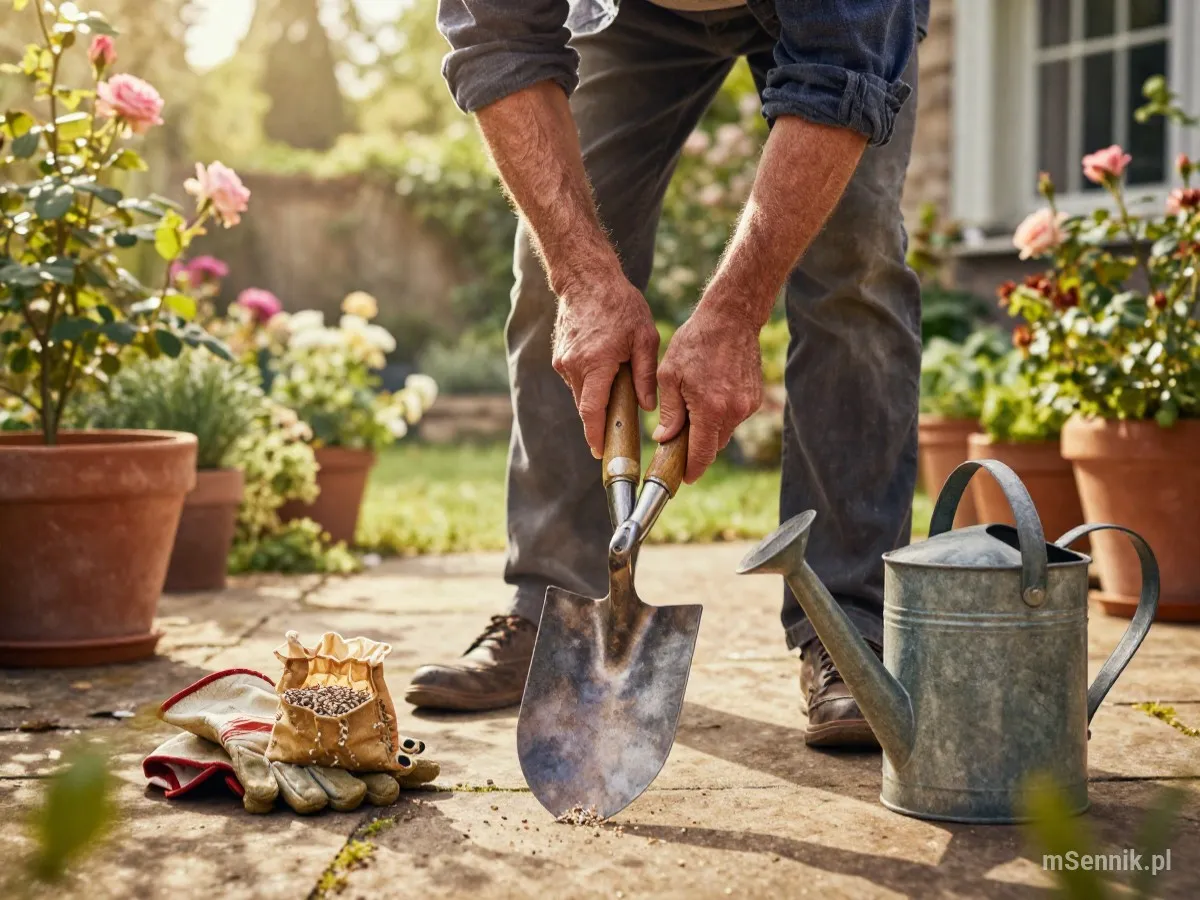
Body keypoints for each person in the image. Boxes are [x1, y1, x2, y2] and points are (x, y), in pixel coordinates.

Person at [405, 0, 929, 749]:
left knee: (856, 260)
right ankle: (556, 608)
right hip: (629, 14)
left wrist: (736, 313)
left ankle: (850, 632)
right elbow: (498, 42)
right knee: (550, 267)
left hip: (832, 21)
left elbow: (842, 70)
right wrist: (583, 280)